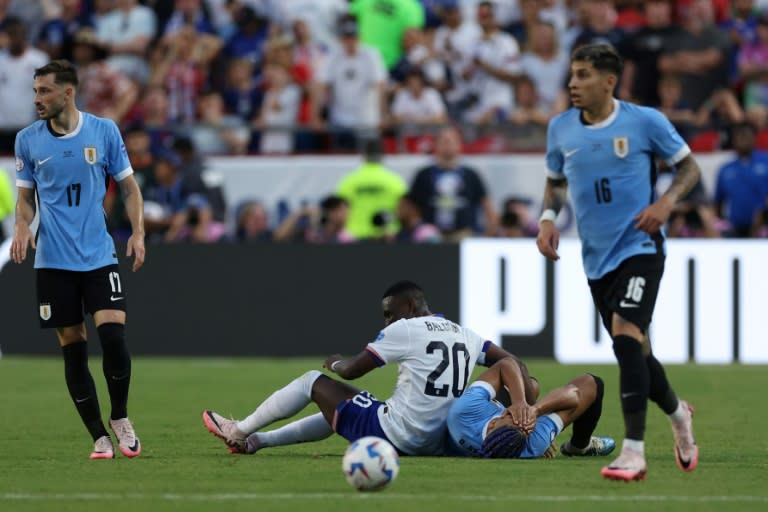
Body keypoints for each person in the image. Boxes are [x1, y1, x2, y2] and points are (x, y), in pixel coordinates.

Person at [536, 44, 700, 481]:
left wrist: (666, 204)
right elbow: (554, 182)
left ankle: (633, 452)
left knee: (626, 337)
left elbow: (689, 169)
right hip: (596, 260)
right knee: (638, 355)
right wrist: (548, 219)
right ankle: (679, 413)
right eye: (572, 74)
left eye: (584, 75)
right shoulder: (561, 129)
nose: (573, 83)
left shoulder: (644, 121)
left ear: (609, 82)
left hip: (641, 248)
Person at [202, 281, 536, 456]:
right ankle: (257, 442)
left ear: (409, 306)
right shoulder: (466, 334)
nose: (387, 321)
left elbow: (349, 372)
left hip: (398, 434)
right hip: (441, 439)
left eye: (389, 313)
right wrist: (525, 396)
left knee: (313, 383)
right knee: (350, 407)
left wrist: (333, 361)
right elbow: (515, 364)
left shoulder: (405, 328)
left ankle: (239, 431)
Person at [10, 60, 145, 460]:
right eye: (35, 91)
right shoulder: (28, 140)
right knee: (72, 346)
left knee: (113, 336)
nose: (37, 99)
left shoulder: (104, 131)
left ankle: (119, 417)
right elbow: (24, 197)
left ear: (68, 92)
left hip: (99, 255)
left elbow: (130, 189)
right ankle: (98, 437)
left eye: (44, 91)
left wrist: (138, 232)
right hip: (53, 261)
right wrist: (21, 226)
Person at [446, 357, 615, 459]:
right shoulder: (534, 443)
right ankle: (579, 446)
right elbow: (575, 394)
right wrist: (536, 410)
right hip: (515, 432)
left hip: (474, 419)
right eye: (524, 422)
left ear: (492, 424)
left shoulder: (463, 414)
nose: (523, 416)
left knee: (530, 386)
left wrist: (519, 402)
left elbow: (505, 363)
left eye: (516, 416)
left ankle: (523, 398)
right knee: (594, 383)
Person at [336, 139, 407, 240]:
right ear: (383, 156)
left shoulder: (349, 181)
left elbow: (339, 210)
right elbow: (403, 210)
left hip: (355, 235)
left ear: (363, 156)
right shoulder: (395, 181)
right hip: (386, 235)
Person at [714, 121, 768, 237]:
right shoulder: (725, 169)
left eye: (746, 135)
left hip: (763, 226)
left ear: (754, 138)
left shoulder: (766, 162)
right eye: (739, 136)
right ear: (733, 140)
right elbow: (718, 202)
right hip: (734, 228)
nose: (743, 139)